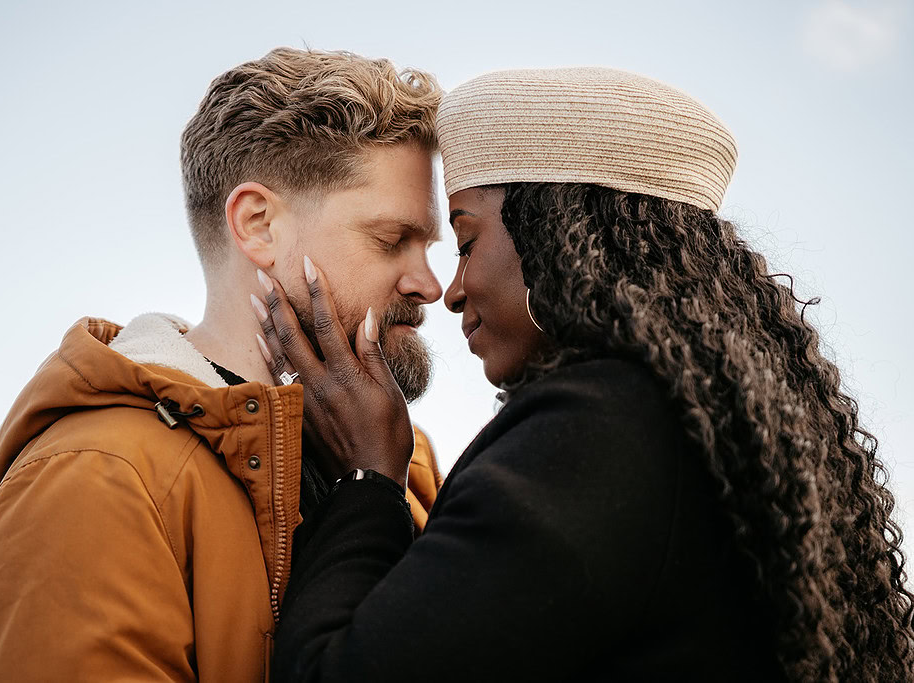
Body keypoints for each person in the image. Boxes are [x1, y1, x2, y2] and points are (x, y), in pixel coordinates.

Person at [254, 68, 914, 682]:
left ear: (558, 238)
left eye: (466, 242)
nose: (450, 291)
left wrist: (365, 479)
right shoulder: (695, 419)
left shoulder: (597, 430)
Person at [0, 48, 446, 682]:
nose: (430, 285)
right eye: (391, 240)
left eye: (431, 246)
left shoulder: (406, 469)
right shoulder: (100, 478)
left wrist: (375, 484)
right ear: (257, 225)